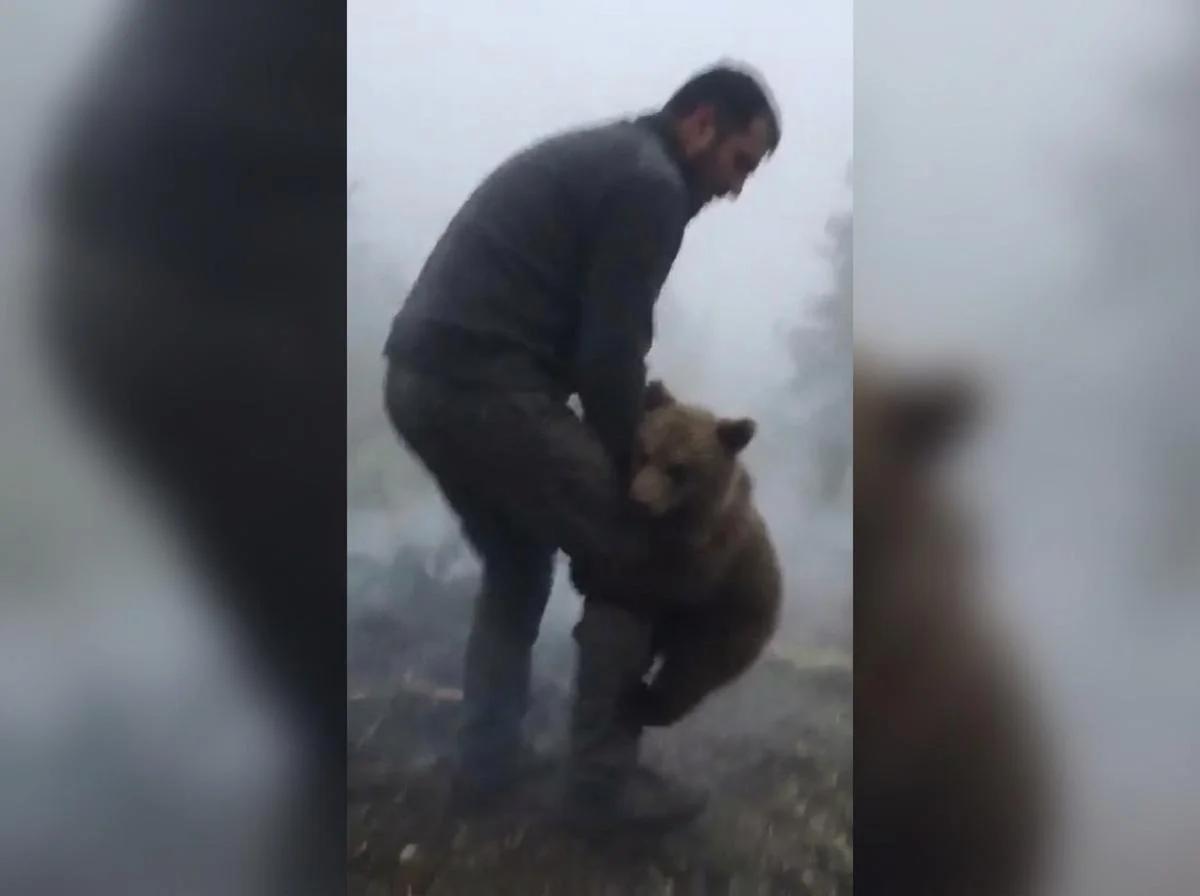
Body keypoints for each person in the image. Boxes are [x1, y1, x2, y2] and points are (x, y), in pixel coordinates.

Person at [383, 61, 781, 832]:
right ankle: (603, 787)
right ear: (700, 124)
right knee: (632, 551)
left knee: (519, 562)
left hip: (418, 381)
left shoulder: (614, 159)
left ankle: (485, 764)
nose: (736, 188)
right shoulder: (651, 185)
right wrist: (633, 469)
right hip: (482, 386)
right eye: (739, 161)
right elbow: (609, 354)